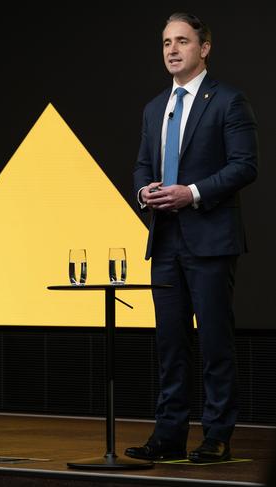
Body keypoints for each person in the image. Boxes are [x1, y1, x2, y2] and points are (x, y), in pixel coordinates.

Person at [126, 13, 258, 463]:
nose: (172, 50)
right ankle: (169, 436)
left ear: (204, 48)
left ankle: (217, 435)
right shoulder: (153, 107)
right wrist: (146, 190)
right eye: (166, 42)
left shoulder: (229, 101)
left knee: (215, 343)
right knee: (170, 344)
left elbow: (245, 165)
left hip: (210, 240)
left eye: (182, 41)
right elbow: (143, 165)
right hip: (165, 240)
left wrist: (193, 193)